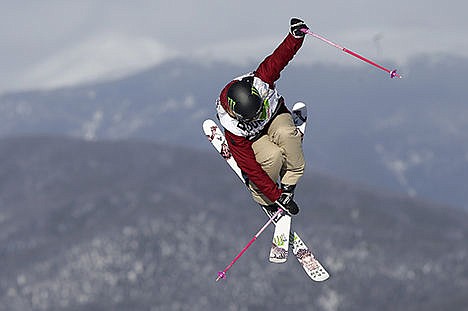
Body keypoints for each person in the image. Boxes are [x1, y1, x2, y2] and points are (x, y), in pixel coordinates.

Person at [215, 18, 308, 215]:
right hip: (253, 138)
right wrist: (274, 196)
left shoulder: (261, 80)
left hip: (274, 117)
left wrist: (295, 37)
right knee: (272, 157)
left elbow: (279, 57)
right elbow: (250, 166)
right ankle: (262, 197)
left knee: (286, 134)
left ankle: (291, 177)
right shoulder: (233, 128)